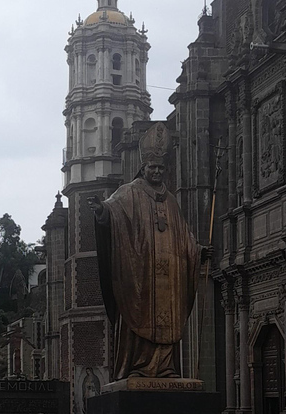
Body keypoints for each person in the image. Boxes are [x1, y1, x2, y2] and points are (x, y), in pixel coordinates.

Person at [88, 122, 212, 380]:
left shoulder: (172, 202)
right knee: (139, 316)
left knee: (168, 320)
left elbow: (183, 236)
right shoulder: (129, 192)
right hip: (141, 276)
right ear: (143, 168)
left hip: (169, 281)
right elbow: (113, 211)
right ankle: (138, 366)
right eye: (152, 167)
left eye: (160, 168)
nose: (156, 171)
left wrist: (197, 251)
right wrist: (101, 211)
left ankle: (165, 368)